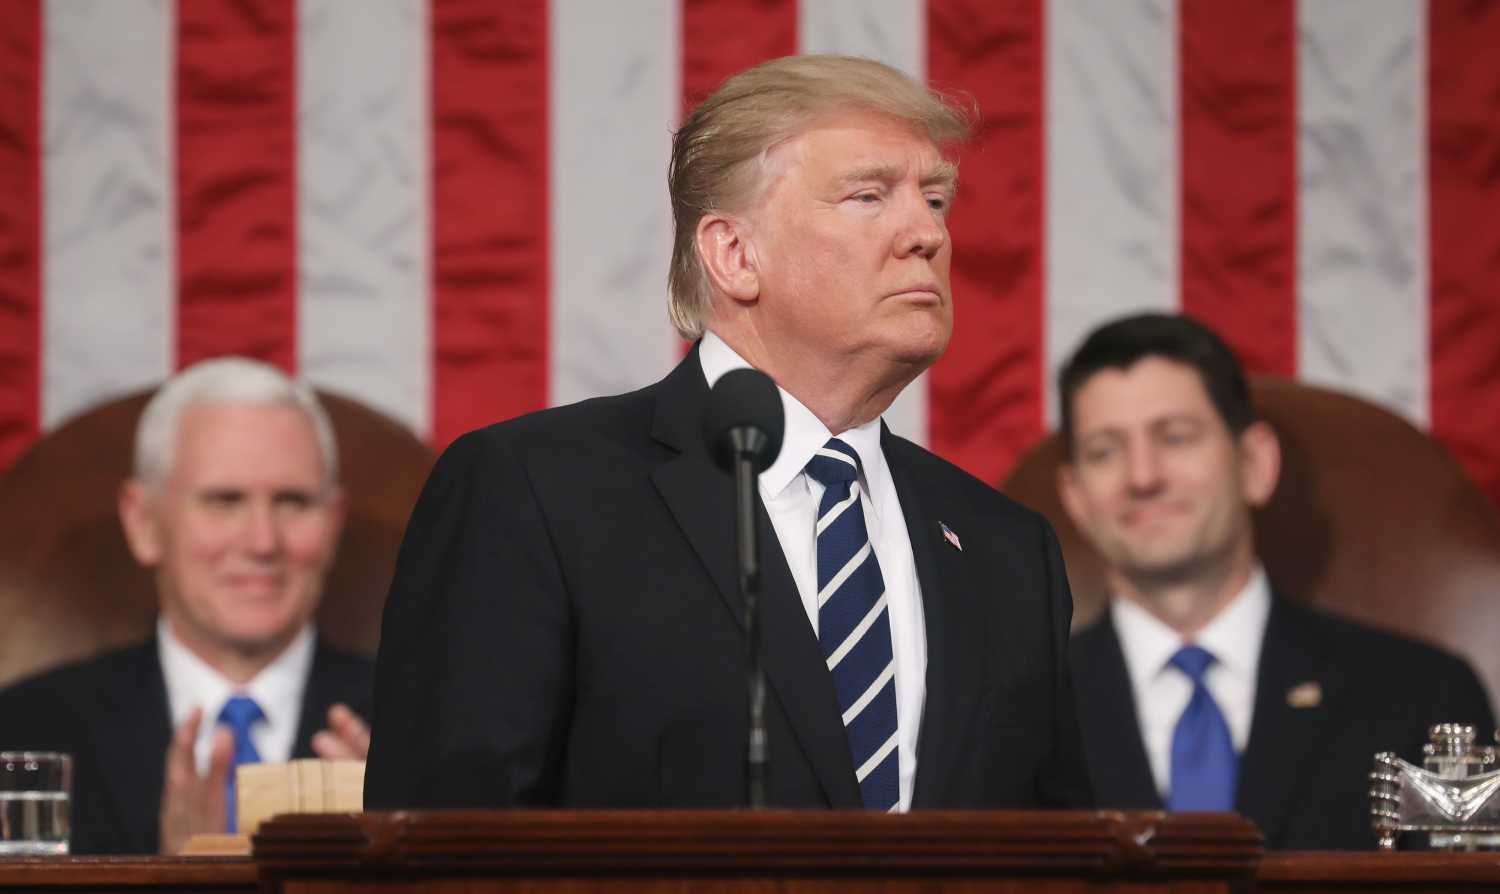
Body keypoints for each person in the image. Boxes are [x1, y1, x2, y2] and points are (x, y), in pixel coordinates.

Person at [364, 55, 1091, 812]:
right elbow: (440, 855)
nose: (927, 234)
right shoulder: (534, 492)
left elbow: (1067, 867)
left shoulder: (1009, 550)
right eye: (870, 196)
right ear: (735, 253)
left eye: (935, 198)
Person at [1056, 312, 1495, 849]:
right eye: (1105, 451)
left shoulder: (1424, 697)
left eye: (1175, 437)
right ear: (1075, 496)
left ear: (1254, 463)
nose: (1143, 476)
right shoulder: (1022, 712)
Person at [0, 358, 374, 855]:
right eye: (223, 500)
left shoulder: (421, 731)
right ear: (144, 523)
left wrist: (394, 864)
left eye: (293, 502)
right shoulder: (22, 731)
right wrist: (175, 890)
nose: (262, 541)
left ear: (333, 522)